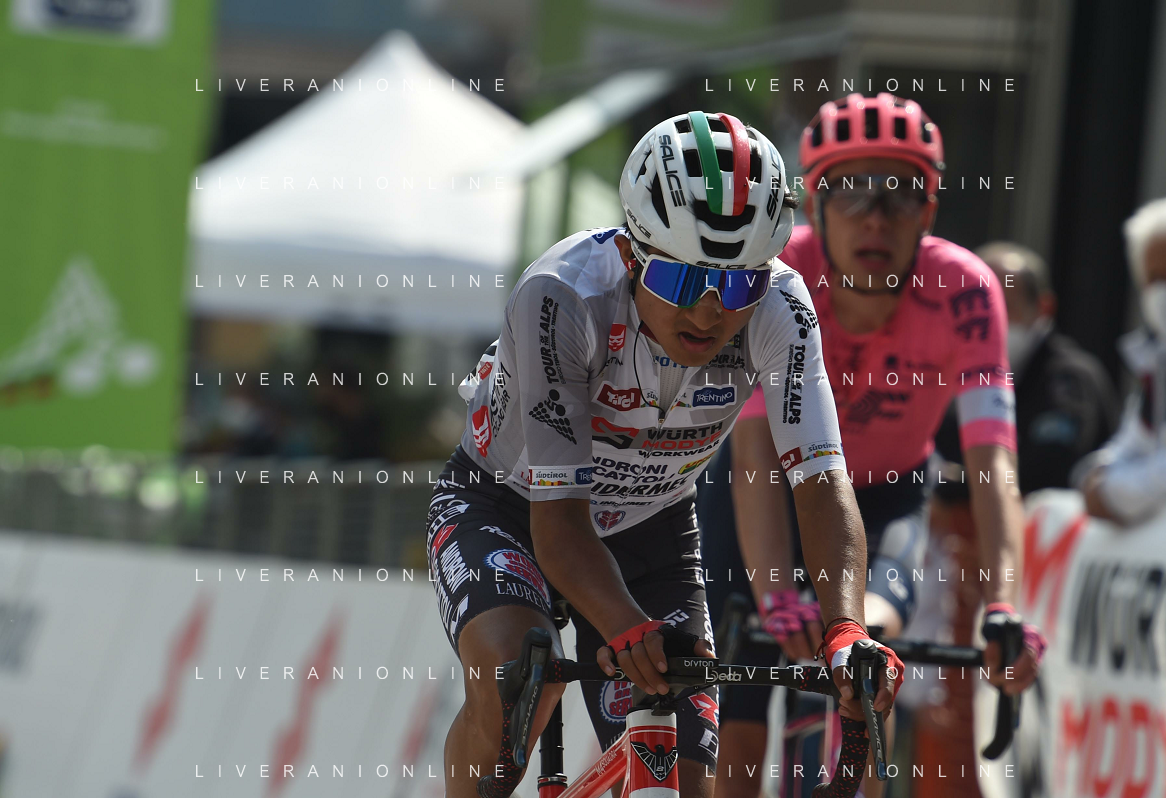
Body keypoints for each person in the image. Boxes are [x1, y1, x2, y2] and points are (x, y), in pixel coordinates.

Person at [427, 111, 902, 798]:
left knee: (685, 777)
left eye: (737, 285)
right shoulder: (562, 296)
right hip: (509, 508)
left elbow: (821, 485)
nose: (709, 313)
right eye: (682, 281)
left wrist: (846, 630)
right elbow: (559, 524)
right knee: (515, 682)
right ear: (631, 254)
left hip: (651, 527)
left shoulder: (783, 307)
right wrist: (625, 628)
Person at [700, 93, 1047, 798]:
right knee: (737, 719)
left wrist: (1004, 605)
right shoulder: (777, 276)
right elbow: (755, 452)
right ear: (813, 204)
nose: (875, 217)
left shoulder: (966, 291)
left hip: (886, 495)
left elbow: (994, 466)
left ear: (928, 210)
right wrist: (774, 593)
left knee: (866, 649)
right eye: (850, 191)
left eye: (900, 193)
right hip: (766, 491)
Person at [934, 241, 1119, 497]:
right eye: (975, 311)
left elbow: (1050, 470)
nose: (987, 324)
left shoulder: (1071, 379)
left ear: (1044, 307)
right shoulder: (947, 375)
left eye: (1001, 308)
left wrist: (956, 485)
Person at [1080, 195, 1166, 524]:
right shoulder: (1159, 364)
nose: (1164, 292)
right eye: (1153, 279)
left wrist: (1109, 493)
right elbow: (1129, 447)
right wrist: (1096, 476)